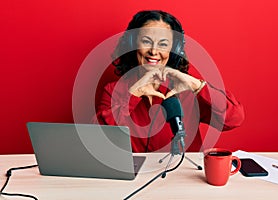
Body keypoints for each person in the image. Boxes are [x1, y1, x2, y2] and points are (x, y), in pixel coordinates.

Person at [94, 10, 245, 153]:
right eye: (146, 41)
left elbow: (233, 119)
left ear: (174, 50)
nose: (154, 51)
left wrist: (196, 85)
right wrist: (134, 93)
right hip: (136, 177)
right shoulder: (113, 90)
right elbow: (99, 139)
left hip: (183, 175)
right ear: (133, 44)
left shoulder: (187, 90)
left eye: (163, 44)